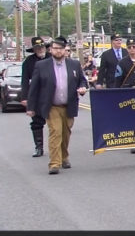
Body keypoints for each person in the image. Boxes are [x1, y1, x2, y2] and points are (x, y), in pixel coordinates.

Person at [25, 36, 88, 175]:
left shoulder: (74, 64)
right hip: (52, 106)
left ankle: (64, 157)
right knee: (56, 132)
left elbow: (82, 81)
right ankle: (54, 163)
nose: (58, 51)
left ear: (65, 50)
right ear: (51, 50)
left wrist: (83, 88)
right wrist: (31, 107)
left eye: (60, 48)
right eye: (55, 48)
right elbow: (34, 87)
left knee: (65, 133)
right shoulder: (42, 65)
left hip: (69, 105)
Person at [20, 36, 50, 158]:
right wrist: (24, 97)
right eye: (37, 48)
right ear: (34, 49)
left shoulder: (52, 58)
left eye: (42, 47)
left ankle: (57, 148)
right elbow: (24, 81)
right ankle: (39, 147)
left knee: (56, 122)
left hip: (51, 94)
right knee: (37, 122)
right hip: (36, 95)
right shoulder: (29, 62)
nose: (40, 49)